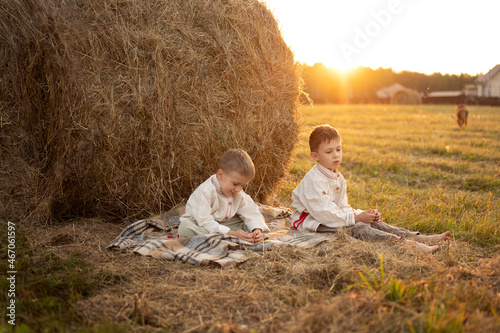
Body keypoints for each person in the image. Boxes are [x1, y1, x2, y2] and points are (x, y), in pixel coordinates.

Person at [290, 124, 451, 254]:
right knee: (359, 227)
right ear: (315, 156)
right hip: (313, 220)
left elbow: (342, 206)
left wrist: (360, 214)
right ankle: (407, 245)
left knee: (374, 223)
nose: (336, 155)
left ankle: (418, 238)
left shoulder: (338, 177)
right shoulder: (313, 180)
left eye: (338, 149)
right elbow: (324, 213)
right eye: (329, 152)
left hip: (332, 216)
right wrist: (357, 218)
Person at [178, 149, 269, 243]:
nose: (238, 189)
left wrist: (256, 230)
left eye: (242, 185)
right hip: (200, 223)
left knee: (246, 222)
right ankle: (229, 236)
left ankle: (246, 236)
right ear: (220, 175)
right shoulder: (205, 192)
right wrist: (233, 233)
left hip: (224, 223)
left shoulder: (237, 192)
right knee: (185, 228)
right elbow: (204, 221)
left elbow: (250, 210)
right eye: (235, 184)